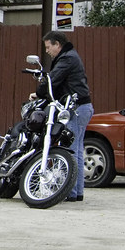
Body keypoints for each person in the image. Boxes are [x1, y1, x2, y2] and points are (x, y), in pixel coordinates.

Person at [33, 30, 93, 203]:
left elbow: (53, 80)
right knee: (77, 151)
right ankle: (76, 192)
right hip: (83, 107)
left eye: (48, 47)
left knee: (71, 150)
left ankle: (71, 192)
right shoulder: (71, 56)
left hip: (75, 108)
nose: (47, 51)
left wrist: (39, 91)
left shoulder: (67, 59)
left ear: (57, 44)